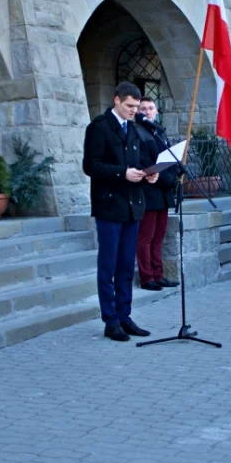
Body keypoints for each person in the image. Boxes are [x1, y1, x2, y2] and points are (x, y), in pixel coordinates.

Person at [82, 82, 156, 342]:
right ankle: (110, 320)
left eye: (136, 106)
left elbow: (138, 161)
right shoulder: (99, 127)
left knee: (126, 265)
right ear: (116, 100)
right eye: (129, 106)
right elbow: (91, 166)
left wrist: (150, 173)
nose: (134, 110)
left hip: (132, 205)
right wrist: (122, 173)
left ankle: (125, 316)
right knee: (109, 265)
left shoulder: (133, 128)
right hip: (109, 206)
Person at [135, 97, 180, 292]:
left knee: (159, 237)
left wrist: (173, 176)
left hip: (163, 192)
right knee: (146, 238)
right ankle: (147, 277)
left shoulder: (159, 132)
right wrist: (165, 177)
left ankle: (159, 275)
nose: (147, 111)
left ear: (156, 111)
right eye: (143, 108)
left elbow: (171, 160)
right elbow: (144, 162)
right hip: (149, 192)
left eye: (150, 108)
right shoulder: (137, 133)